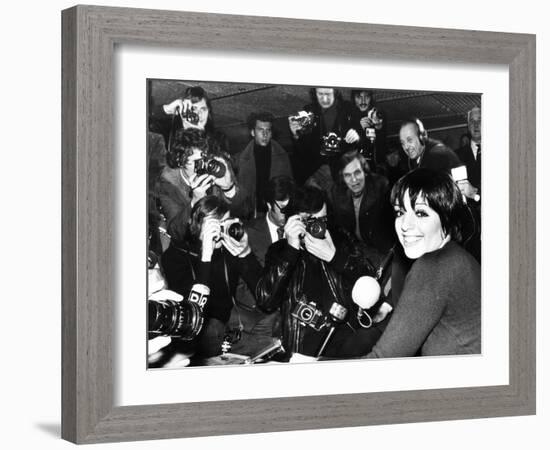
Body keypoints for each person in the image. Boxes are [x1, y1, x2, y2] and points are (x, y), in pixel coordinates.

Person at [256, 185, 387, 360]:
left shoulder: (340, 238)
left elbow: (370, 281)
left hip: (343, 340)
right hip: (302, 346)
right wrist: (291, 251)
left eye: (322, 220)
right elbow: (266, 300)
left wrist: (334, 257)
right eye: (310, 221)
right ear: (293, 221)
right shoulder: (280, 251)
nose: (318, 227)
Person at [366, 168, 481, 358]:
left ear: (446, 216)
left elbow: (382, 362)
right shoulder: (456, 256)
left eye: (420, 213)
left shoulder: (434, 266)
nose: (404, 225)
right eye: (400, 212)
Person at [161, 195, 264, 360]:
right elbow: (192, 312)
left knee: (274, 323)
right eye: (216, 225)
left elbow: (263, 293)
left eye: (226, 223)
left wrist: (246, 253)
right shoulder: (175, 256)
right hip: (198, 329)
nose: (222, 231)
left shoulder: (227, 247)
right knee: (213, 329)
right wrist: (206, 255)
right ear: (198, 225)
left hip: (231, 319)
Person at [156, 128, 244, 240]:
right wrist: (195, 202)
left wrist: (229, 188)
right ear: (180, 161)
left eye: (206, 159)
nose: (204, 166)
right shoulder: (169, 183)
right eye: (197, 162)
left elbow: (246, 214)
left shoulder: (217, 166)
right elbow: (175, 232)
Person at [328, 151, 395, 266]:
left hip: (382, 251)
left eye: (357, 172)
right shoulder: (336, 192)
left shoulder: (381, 187)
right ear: (342, 178)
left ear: (365, 172)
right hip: (355, 251)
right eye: (347, 175)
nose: (354, 180)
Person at [288, 87, 358, 187]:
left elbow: (361, 138)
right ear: (314, 94)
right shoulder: (309, 111)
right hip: (316, 170)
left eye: (328, 94)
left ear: (335, 92)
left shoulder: (348, 109)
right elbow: (303, 150)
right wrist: (296, 135)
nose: (324, 99)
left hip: (341, 169)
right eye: (320, 94)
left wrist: (356, 136)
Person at [235, 111, 293, 220]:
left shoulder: (282, 157)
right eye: (261, 130)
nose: (265, 134)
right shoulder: (242, 159)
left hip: (276, 212)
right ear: (253, 132)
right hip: (252, 213)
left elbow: (290, 188)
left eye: (268, 130)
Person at [148, 85, 230, 154]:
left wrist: (199, 134)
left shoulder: (219, 139)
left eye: (203, 109)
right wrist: (166, 109)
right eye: (194, 109)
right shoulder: (169, 134)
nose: (199, 114)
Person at [349, 89, 387, 171]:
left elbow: (382, 149)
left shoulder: (377, 115)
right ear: (353, 99)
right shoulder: (347, 117)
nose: (363, 101)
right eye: (359, 97)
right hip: (354, 166)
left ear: (371, 98)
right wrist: (359, 129)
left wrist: (379, 128)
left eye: (366, 97)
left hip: (373, 168)